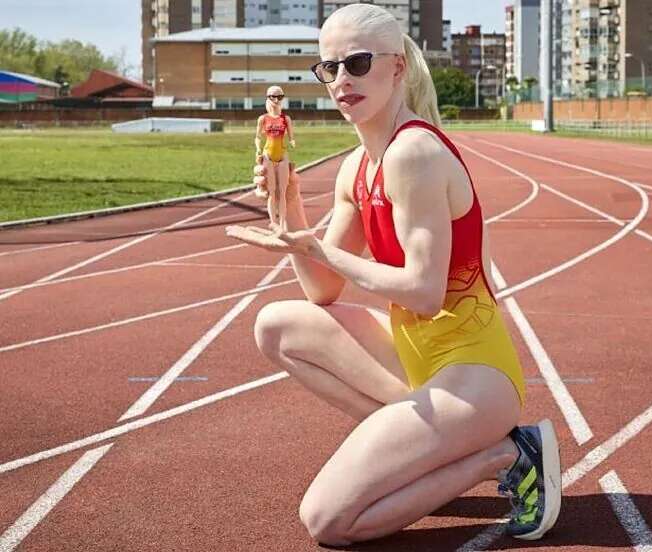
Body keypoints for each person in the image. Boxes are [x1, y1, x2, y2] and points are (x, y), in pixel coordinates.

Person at [225, 3, 561, 546]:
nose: (341, 81)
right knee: (276, 325)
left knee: (328, 522)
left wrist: (322, 250)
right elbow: (322, 290)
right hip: (416, 357)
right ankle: (436, 452)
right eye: (328, 68)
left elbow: (426, 293)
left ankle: (507, 452)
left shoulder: (415, 154)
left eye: (357, 63)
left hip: (474, 374)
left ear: (397, 67)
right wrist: (289, 202)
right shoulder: (356, 166)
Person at [254, 85, 295, 229]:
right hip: (267, 154)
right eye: (273, 96)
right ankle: (273, 223)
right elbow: (258, 137)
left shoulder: (286, 118)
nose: (276, 100)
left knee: (282, 191)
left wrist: (292, 142)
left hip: (282, 154)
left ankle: (283, 223)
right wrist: (258, 148)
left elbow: (291, 136)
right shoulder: (263, 118)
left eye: (280, 97)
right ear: (267, 97)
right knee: (271, 191)